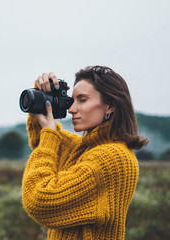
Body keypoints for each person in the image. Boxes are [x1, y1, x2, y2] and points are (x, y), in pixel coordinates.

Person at [22, 66, 148, 240]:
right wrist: (42, 101)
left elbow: (40, 200)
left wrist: (49, 134)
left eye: (82, 100)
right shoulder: (85, 148)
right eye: (72, 101)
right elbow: (42, 144)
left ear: (110, 105)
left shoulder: (112, 158)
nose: (72, 109)